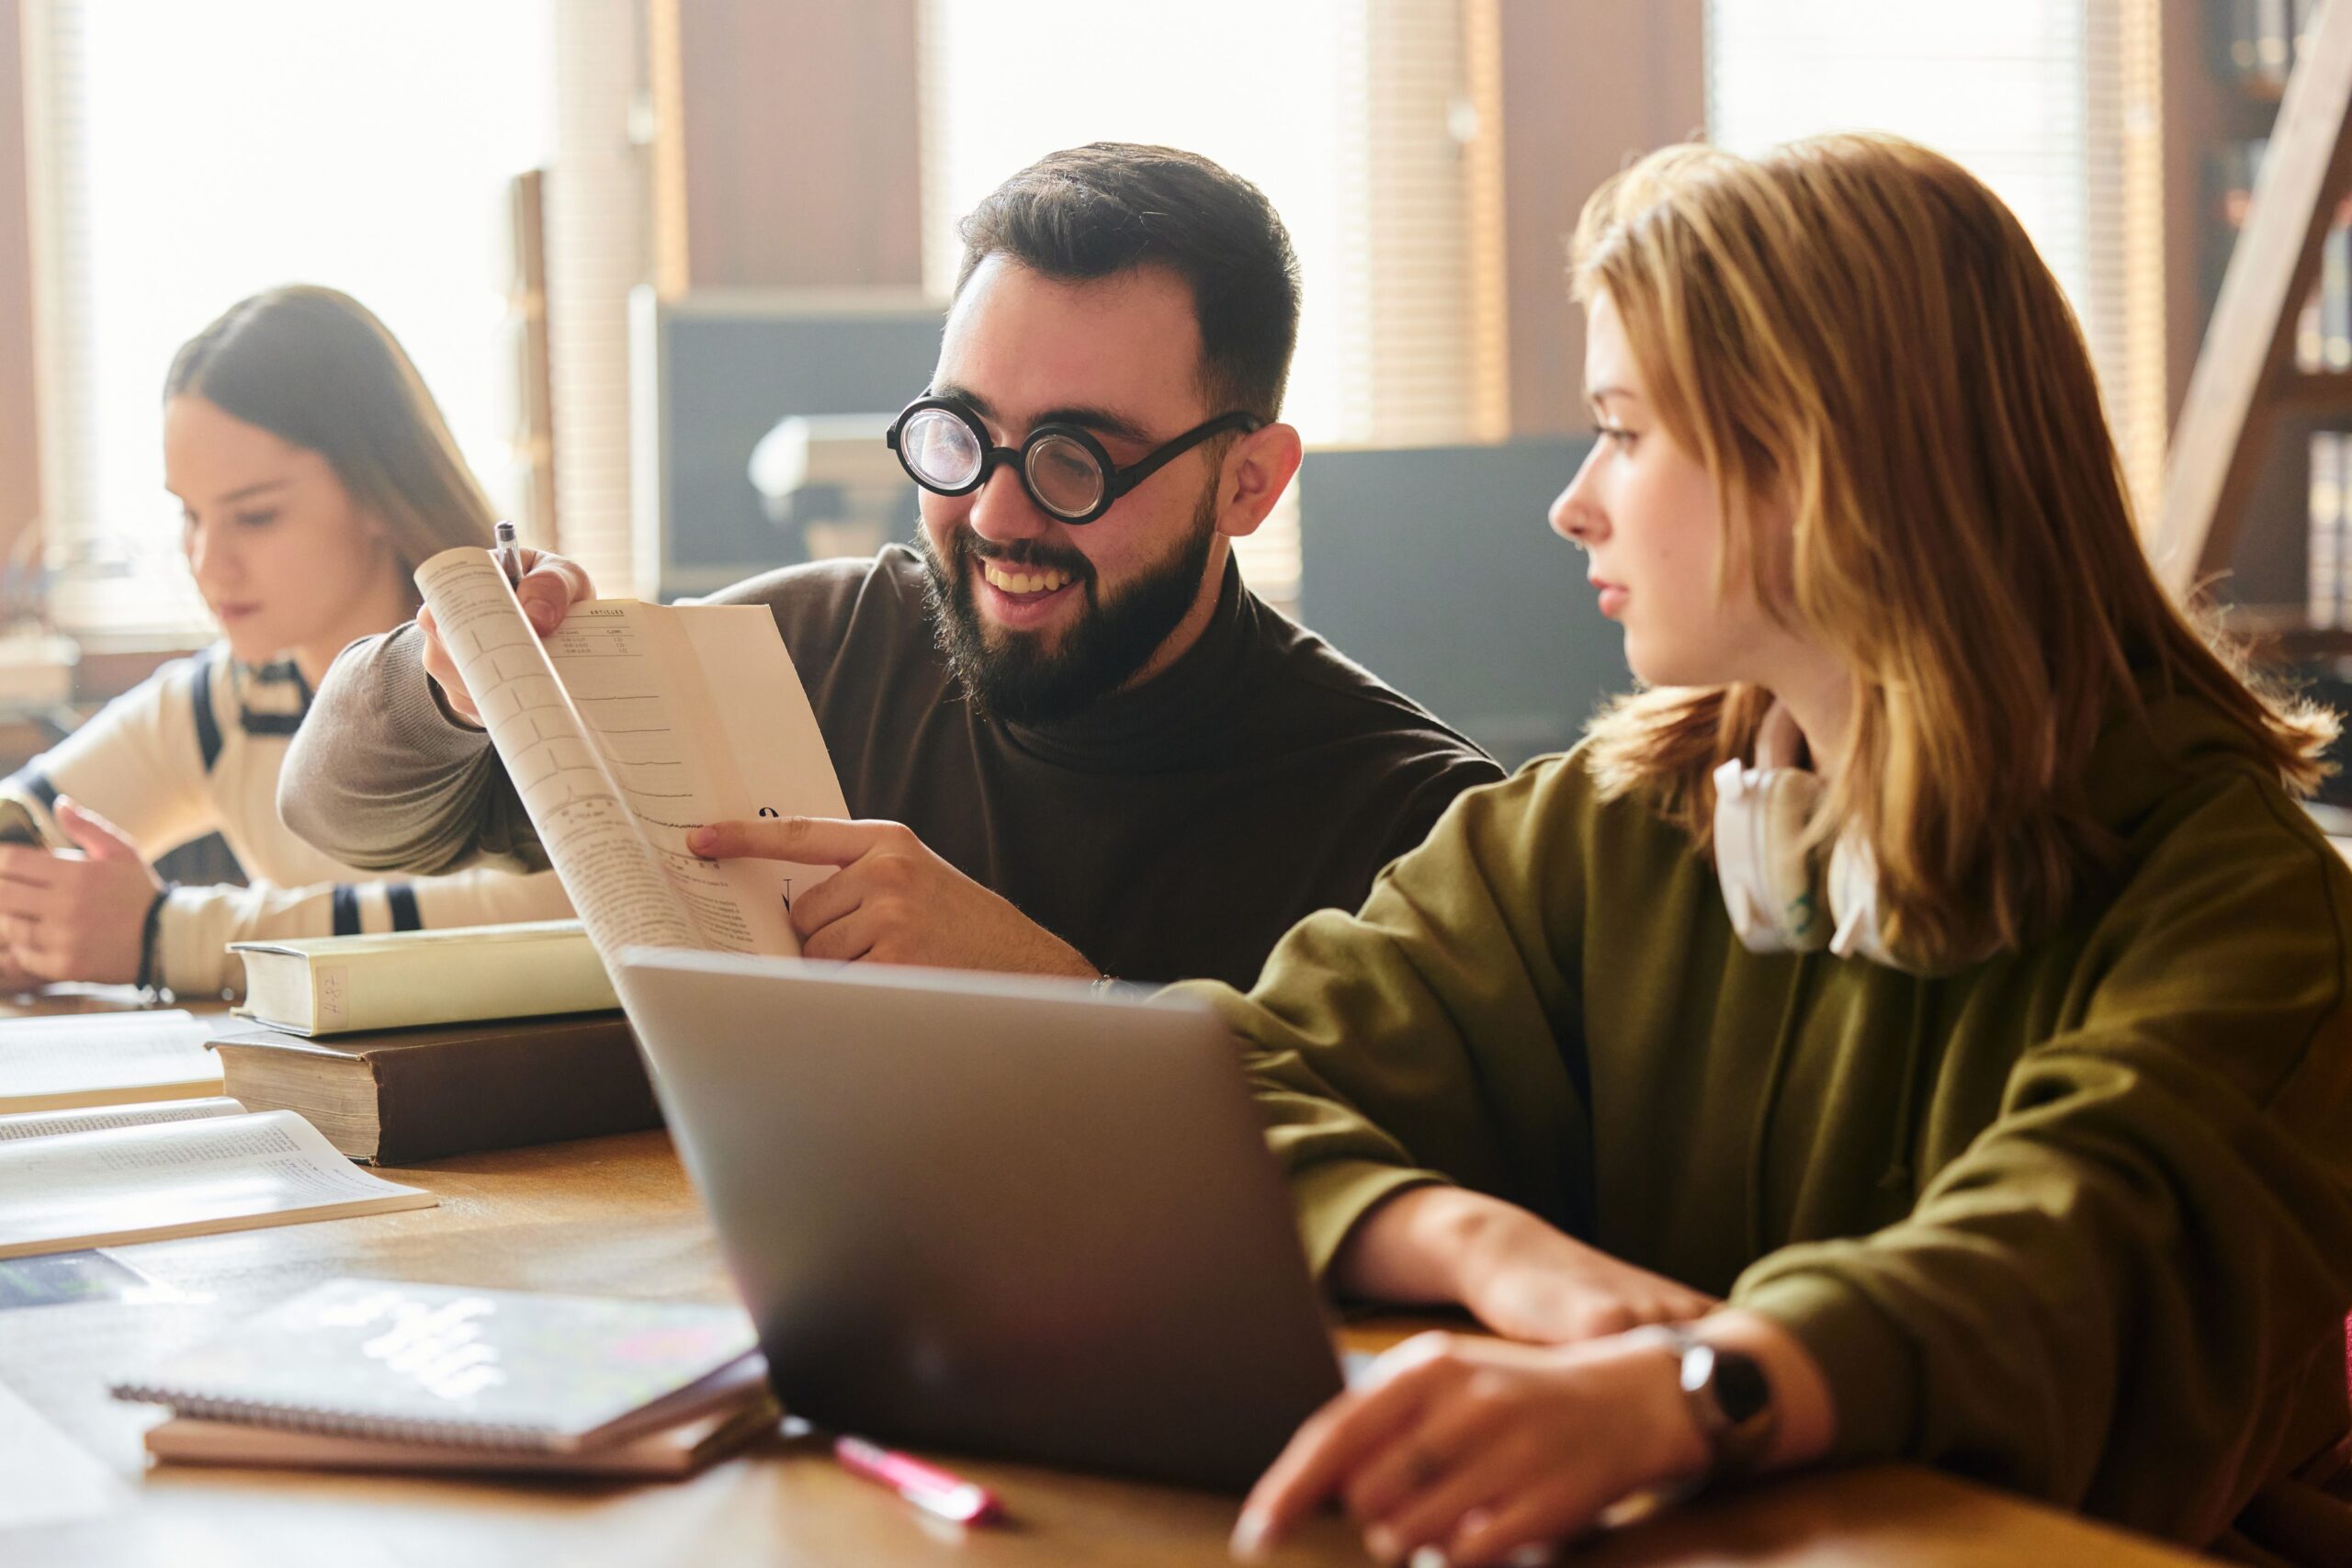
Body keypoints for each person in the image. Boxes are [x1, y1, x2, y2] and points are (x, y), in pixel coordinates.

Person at [1198, 135, 2352, 1567]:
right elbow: (1219, 1086)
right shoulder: (1602, 827)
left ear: (1821, 461)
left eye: (1625, 429)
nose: (1575, 501)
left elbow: (2059, 1264)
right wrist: (1485, 1248)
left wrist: (1687, 1389)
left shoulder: (2248, 903)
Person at [280, 144, 1503, 990]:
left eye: (1079, 459)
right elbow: (340, 810)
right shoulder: (808, 656)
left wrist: (1065, 998)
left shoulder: (1409, 824)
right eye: (961, 434)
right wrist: (448, 675)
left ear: (1251, 481)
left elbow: (1430, 1177)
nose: (997, 511)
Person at [0, 287, 571, 998]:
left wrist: (170, 935)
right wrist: (37, 921)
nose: (208, 563)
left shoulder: (512, 672)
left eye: (257, 516)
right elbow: (18, 831)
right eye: (190, 516)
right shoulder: (223, 702)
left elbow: (554, 912)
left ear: (377, 492)